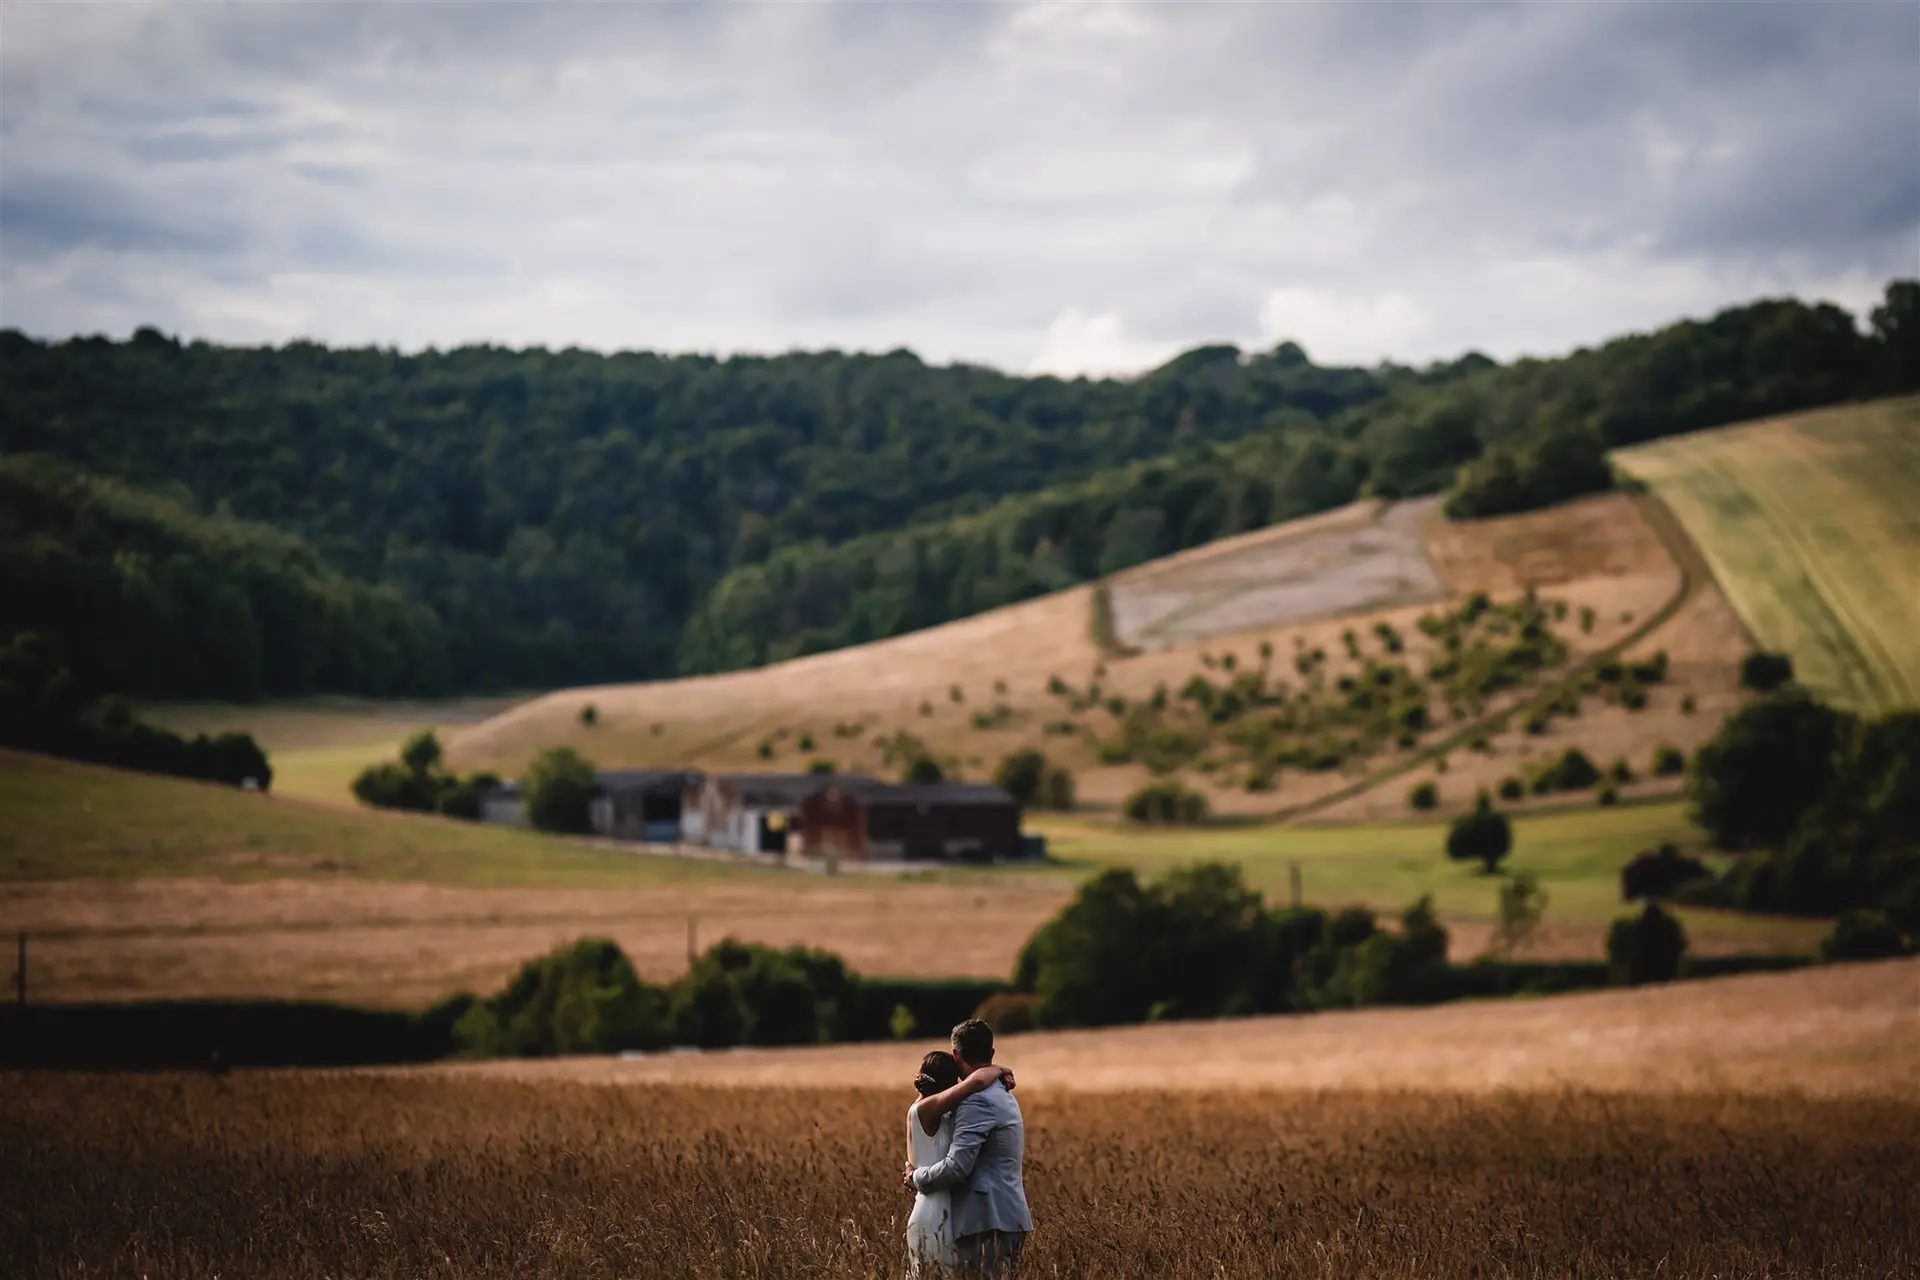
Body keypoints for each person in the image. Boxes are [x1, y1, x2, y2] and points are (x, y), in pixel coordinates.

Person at [903, 1018, 1032, 1278]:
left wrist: (914, 1177)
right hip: (1001, 1215)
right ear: (991, 1053)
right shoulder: (1002, 1093)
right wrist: (998, 1069)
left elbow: (956, 1167)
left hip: (985, 1220)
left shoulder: (976, 1101)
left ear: (956, 1055)